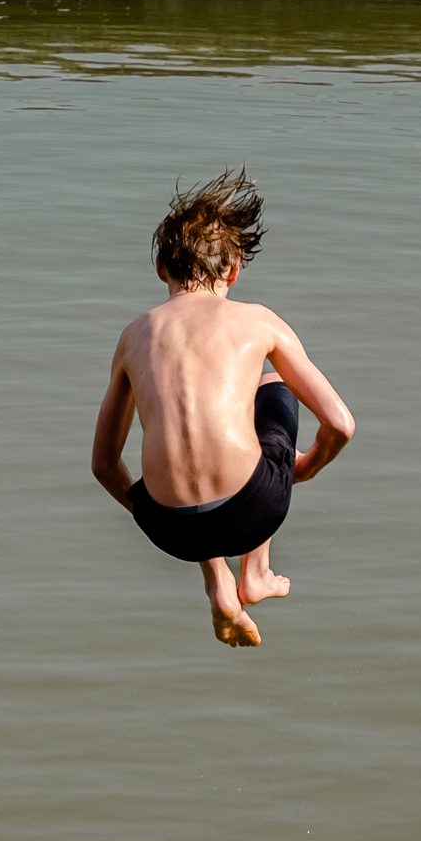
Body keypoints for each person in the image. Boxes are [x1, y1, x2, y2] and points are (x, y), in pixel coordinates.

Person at [91, 169, 358, 649]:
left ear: (160, 268)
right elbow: (340, 424)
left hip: (170, 531)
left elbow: (103, 464)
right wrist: (302, 469)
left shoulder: (134, 337)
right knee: (274, 385)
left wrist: (148, 508)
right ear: (233, 269)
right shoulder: (258, 321)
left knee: (187, 460)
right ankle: (255, 572)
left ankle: (218, 584)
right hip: (255, 511)